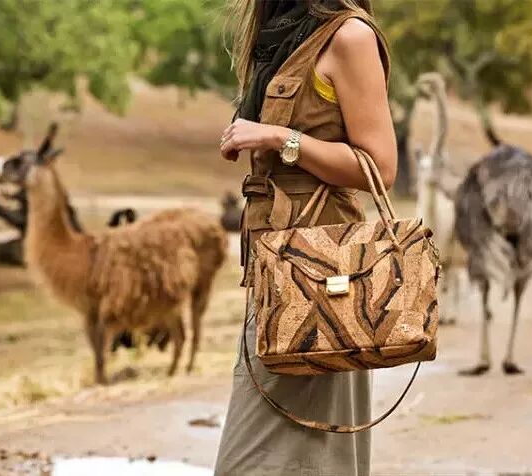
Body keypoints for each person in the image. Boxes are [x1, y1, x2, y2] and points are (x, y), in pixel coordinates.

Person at [215, 1, 396, 475]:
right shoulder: (280, 37)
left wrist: (280, 139)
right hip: (277, 272)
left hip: (323, 280)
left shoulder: (349, 36)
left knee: (257, 463)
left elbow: (380, 166)